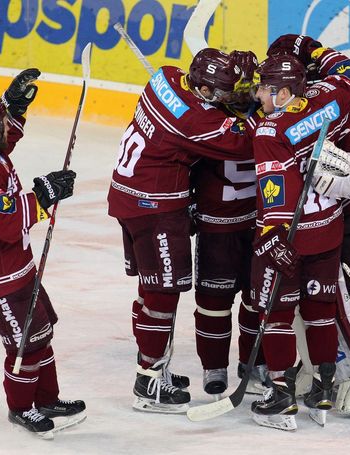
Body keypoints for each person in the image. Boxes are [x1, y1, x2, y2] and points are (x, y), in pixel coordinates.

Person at [107, 48, 253, 413]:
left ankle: (156, 367)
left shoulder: (165, 77)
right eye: (220, 93)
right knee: (163, 293)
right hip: (154, 208)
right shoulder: (195, 121)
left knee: (150, 288)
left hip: (128, 195)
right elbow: (243, 141)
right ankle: (149, 381)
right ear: (202, 90)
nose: (225, 99)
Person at [0, 69, 85, 437]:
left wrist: (12, 106)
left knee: (42, 330)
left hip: (16, 267)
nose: (8, 131)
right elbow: (5, 221)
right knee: (26, 343)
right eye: (3, 126)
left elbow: (2, 139)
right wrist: (44, 194)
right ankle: (21, 407)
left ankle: (47, 398)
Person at [268, 34, 350, 415]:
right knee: (316, 300)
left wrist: (341, 175)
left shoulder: (328, 105)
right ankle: (319, 369)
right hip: (323, 222)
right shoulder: (294, 109)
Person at [248, 45, 350, 430]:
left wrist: (274, 237)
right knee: (319, 310)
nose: (258, 96)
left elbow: (275, 190)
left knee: (277, 313)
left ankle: (281, 394)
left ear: (283, 94)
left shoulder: (270, 130)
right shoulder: (327, 98)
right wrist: (314, 49)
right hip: (329, 229)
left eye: (264, 89)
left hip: (292, 236)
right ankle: (324, 388)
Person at [190, 50, 268, 397]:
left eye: (249, 85)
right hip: (216, 228)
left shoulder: (266, 116)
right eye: (237, 85)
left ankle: (252, 364)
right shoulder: (206, 119)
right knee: (213, 303)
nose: (242, 92)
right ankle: (214, 367)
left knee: (257, 301)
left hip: (256, 226)